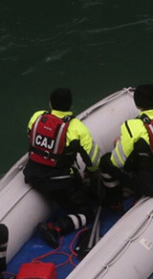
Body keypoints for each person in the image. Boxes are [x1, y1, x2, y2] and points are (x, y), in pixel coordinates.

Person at [23, 87, 102, 247]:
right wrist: (92, 174)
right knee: (87, 213)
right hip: (58, 184)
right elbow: (94, 162)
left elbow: (31, 138)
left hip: (32, 174)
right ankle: (55, 228)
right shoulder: (76, 128)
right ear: (70, 105)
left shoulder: (36, 117)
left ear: (50, 103)